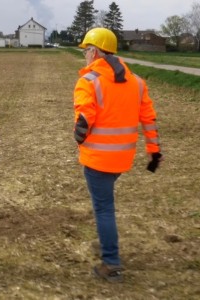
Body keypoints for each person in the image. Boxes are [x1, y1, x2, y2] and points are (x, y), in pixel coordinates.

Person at [72, 28, 163, 283]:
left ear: (95, 52)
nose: (85, 56)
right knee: (105, 206)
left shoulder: (89, 81)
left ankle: (111, 262)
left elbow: (84, 116)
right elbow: (149, 119)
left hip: (97, 159)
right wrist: (154, 153)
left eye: (86, 51)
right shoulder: (137, 82)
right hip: (122, 159)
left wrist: (79, 136)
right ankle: (106, 243)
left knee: (104, 209)